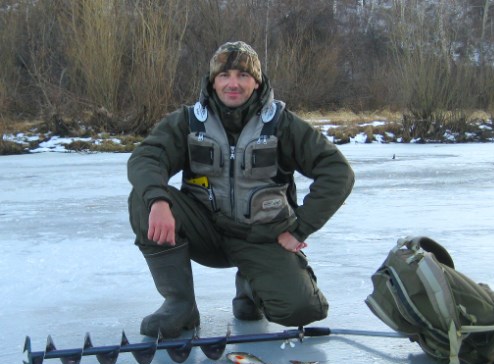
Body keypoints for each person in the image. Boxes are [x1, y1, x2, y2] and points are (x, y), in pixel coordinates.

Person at [127, 41, 355, 338]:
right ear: (212, 81)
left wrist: (300, 228)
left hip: (261, 236)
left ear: (257, 82)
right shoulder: (189, 121)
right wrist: (158, 201)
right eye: (224, 75)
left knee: (302, 309)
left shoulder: (282, 124)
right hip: (205, 231)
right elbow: (146, 158)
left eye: (243, 76)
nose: (233, 84)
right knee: (143, 199)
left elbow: (338, 172)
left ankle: (250, 286)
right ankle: (180, 304)